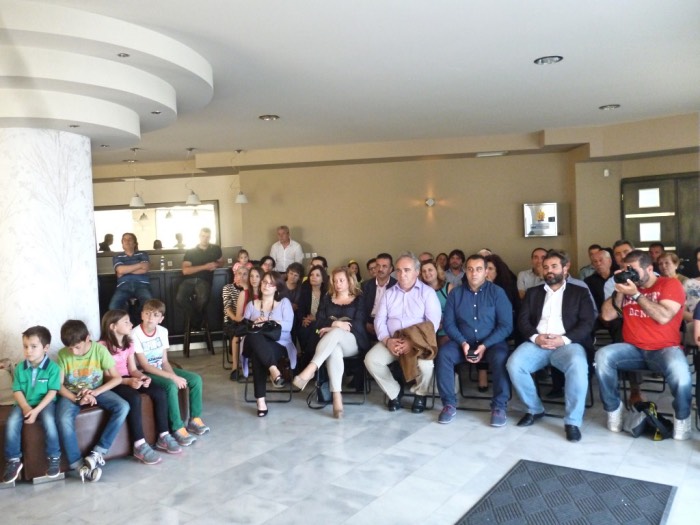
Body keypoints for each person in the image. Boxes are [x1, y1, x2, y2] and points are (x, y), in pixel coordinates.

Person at [596, 250, 692, 440]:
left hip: (664, 348)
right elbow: (606, 315)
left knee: (680, 372)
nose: (629, 274)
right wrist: (619, 289)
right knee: (602, 356)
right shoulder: (626, 289)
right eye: (625, 270)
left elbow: (663, 317)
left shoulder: (669, 284)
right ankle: (614, 410)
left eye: (633, 270)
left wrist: (636, 295)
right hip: (633, 349)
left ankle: (682, 418)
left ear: (649, 268)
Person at [506, 250, 595, 442]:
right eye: (545, 267)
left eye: (554, 266)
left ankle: (572, 422)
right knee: (514, 364)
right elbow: (523, 321)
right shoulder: (533, 293)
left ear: (565, 268)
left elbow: (588, 322)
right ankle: (534, 409)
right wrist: (536, 337)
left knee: (578, 365)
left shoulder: (579, 292)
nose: (549, 271)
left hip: (567, 343)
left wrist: (564, 340)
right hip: (538, 343)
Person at [436, 254, 513, 426]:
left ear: (486, 272)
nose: (474, 273)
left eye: (478, 269)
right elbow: (449, 324)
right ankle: (448, 404)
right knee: (444, 355)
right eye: (470, 269)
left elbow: (506, 325)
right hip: (462, 342)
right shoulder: (456, 294)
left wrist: (485, 345)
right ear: (465, 271)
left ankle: (499, 406)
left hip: (492, 343)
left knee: (501, 357)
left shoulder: (497, 293)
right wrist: (463, 342)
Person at [100, 310, 181, 464]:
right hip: (114, 382)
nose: (131, 324)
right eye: (126, 322)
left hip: (128, 378)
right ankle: (139, 444)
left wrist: (142, 377)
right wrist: (128, 382)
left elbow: (133, 369)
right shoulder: (102, 347)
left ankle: (163, 435)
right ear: (113, 326)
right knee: (134, 397)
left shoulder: (128, 343)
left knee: (159, 392)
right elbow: (105, 377)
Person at [364, 253, 441, 413]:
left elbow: (432, 324)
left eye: (407, 270)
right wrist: (387, 341)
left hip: (419, 342)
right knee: (371, 360)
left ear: (417, 272)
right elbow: (379, 321)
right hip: (392, 340)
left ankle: (420, 394)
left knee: (426, 367)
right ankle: (395, 392)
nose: (402, 274)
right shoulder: (389, 293)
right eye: (398, 270)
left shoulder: (427, 293)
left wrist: (412, 342)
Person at [56, 319, 129, 482]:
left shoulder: (99, 350)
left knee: (123, 407)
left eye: (77, 347)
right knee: (63, 418)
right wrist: (77, 398)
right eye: (70, 348)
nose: (74, 352)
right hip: (72, 393)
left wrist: (95, 392)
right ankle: (78, 465)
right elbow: (59, 385)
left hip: (96, 389)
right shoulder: (63, 354)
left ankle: (98, 452)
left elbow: (117, 378)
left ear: (87, 338)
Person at [292, 267, 369, 418]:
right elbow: (318, 322)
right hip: (331, 343)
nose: (338, 283)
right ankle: (337, 397)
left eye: (341, 280)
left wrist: (333, 327)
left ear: (349, 281)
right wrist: (336, 324)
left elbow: (359, 323)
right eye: (335, 280)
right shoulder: (327, 298)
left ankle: (310, 369)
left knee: (337, 333)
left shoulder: (359, 298)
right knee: (334, 350)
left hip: (353, 341)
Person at [133, 299, 209, 447]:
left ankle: (194, 419)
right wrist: (172, 378)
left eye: (155, 315)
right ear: (142, 314)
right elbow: (145, 366)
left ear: (161, 319)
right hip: (146, 372)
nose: (150, 318)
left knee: (195, 379)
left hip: (160, 368)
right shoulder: (135, 334)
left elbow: (164, 361)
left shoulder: (163, 331)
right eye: (147, 313)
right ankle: (177, 428)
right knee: (170, 385)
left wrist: (174, 375)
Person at [3, 326, 61, 484]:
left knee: (49, 420)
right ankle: (13, 460)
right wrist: (26, 407)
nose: (28, 351)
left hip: (45, 403)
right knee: (12, 422)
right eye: (25, 346)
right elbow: (17, 390)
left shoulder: (53, 368)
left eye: (34, 346)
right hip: (24, 403)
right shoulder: (20, 368)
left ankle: (54, 457)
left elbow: (52, 392)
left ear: (46, 348)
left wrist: (36, 411)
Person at [242, 271, 296, 417]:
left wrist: (269, 322)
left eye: (271, 284)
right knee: (254, 334)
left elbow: (288, 326)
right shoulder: (251, 305)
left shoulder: (284, 303)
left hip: (278, 343)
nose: (266, 285)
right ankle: (273, 369)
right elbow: (244, 329)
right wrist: (255, 324)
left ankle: (260, 401)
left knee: (258, 354)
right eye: (264, 282)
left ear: (277, 288)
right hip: (252, 342)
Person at [176, 227, 223, 329]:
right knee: (180, 298)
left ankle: (194, 322)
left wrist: (216, 264)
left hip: (204, 280)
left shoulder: (216, 249)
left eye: (207, 237)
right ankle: (198, 321)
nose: (205, 239)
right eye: (203, 236)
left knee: (203, 299)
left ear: (210, 237)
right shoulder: (191, 251)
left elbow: (221, 262)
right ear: (199, 236)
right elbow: (185, 270)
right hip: (188, 280)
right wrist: (205, 266)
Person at [108, 233, 153, 320]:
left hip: (142, 285)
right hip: (123, 286)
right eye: (124, 239)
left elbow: (145, 269)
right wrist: (139, 265)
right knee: (113, 307)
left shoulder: (143, 254)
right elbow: (120, 270)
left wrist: (125, 271)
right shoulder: (117, 256)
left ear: (135, 243)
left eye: (130, 239)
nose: (127, 241)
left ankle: (136, 321)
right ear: (122, 243)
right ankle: (126, 323)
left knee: (148, 305)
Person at [584, 248, 622, 342]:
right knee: (586, 326)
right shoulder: (588, 281)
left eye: (601, 260)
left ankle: (618, 349)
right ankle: (589, 350)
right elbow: (588, 303)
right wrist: (600, 316)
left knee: (618, 324)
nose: (598, 263)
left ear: (609, 261)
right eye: (595, 261)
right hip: (597, 316)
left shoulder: (618, 277)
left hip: (616, 315)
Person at [296, 265, 329, 370]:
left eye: (317, 275)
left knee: (314, 331)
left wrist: (316, 318)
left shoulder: (328, 294)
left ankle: (307, 362)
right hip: (308, 323)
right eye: (311, 275)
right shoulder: (305, 291)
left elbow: (328, 313)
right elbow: (300, 309)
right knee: (304, 330)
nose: (313, 277)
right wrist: (303, 319)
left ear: (323, 279)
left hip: (322, 325)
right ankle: (311, 362)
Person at [362, 253, 397, 341]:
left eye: (384, 266)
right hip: (368, 322)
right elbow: (360, 308)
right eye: (378, 265)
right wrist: (366, 323)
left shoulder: (397, 286)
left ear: (390, 269)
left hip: (387, 324)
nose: (380, 269)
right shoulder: (365, 285)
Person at [223, 266, 250, 380]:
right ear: (235, 275)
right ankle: (235, 367)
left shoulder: (251, 289)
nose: (242, 276)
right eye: (239, 273)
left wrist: (246, 288)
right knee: (237, 335)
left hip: (248, 319)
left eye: (245, 274)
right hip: (232, 320)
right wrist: (236, 319)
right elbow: (227, 307)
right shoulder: (228, 288)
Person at [419, 259, 453, 345]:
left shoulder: (448, 287)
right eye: (424, 271)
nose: (427, 273)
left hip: (446, 328)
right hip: (427, 330)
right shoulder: (420, 290)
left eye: (430, 270)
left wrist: (442, 324)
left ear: (437, 271)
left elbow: (455, 312)